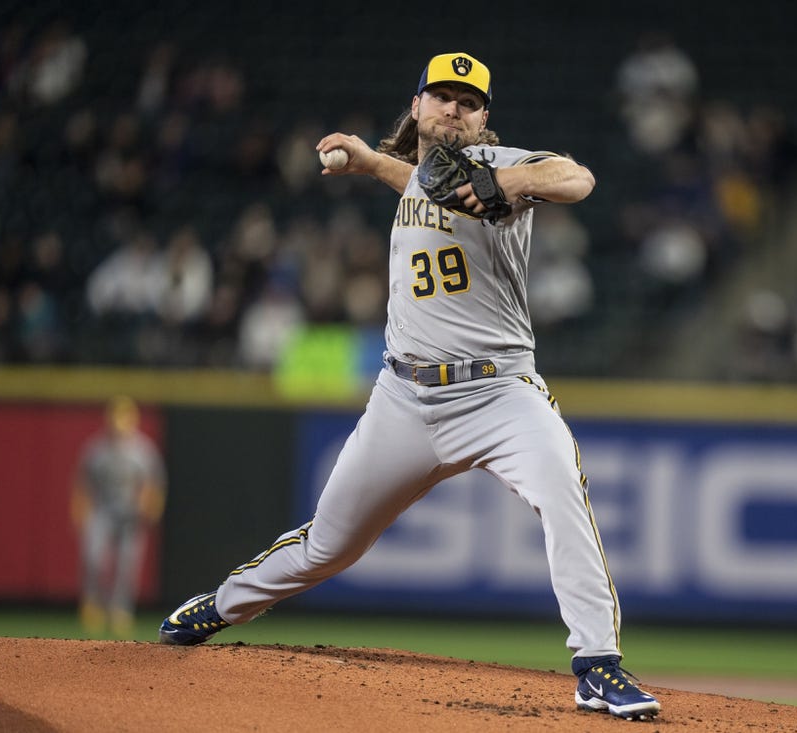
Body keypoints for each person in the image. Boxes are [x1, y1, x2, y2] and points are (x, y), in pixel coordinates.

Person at [157, 52, 661, 721]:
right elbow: (423, 184)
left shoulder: (498, 162)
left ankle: (597, 666)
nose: (454, 108)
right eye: (442, 96)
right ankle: (223, 604)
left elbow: (576, 177)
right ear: (418, 104)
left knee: (563, 490)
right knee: (327, 546)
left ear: (485, 119)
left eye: (469, 101)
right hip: (403, 397)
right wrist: (370, 163)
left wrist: (506, 181)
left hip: (498, 393)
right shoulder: (425, 174)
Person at [72, 395, 166, 636]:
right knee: (93, 558)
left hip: (130, 515)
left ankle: (120, 611)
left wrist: (150, 508)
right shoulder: (96, 449)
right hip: (102, 510)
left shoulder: (143, 450)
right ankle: (93, 604)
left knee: (127, 565)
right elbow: (83, 483)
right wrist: (80, 509)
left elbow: (153, 484)